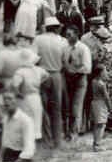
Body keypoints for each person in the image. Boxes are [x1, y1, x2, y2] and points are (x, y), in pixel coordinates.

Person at [34, 16, 68, 147]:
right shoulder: (62, 41)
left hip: (42, 74)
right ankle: (57, 140)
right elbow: (65, 61)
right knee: (56, 108)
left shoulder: (38, 39)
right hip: (56, 74)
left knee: (43, 107)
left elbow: (34, 58)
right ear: (56, 28)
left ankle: (46, 138)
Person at [63, 24, 92, 141]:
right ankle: (68, 132)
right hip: (68, 80)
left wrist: (74, 72)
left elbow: (87, 67)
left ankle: (74, 133)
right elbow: (64, 62)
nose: (67, 37)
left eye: (69, 35)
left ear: (76, 35)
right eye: (66, 35)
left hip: (79, 80)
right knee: (67, 107)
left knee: (76, 107)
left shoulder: (83, 48)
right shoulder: (66, 48)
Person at [11, 49, 45, 144]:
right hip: (36, 97)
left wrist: (18, 94)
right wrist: (39, 84)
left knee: (26, 120)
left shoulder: (20, 72)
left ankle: (26, 144)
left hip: (25, 98)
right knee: (36, 119)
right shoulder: (38, 70)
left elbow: (15, 85)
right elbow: (47, 76)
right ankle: (33, 143)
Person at [0, 90, 36, 161]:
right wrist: (0, 157)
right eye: (4, 99)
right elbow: (5, 142)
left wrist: (19, 160)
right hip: (7, 155)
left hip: (22, 158)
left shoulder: (25, 120)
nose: (6, 102)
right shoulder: (5, 119)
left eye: (10, 98)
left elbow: (29, 149)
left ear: (17, 101)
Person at [91, 66, 111, 151]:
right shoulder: (101, 84)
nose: (106, 73)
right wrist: (110, 107)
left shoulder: (93, 81)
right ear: (100, 73)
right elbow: (106, 97)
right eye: (105, 71)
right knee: (101, 125)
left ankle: (95, 143)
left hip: (94, 103)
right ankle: (97, 145)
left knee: (97, 124)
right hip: (101, 104)